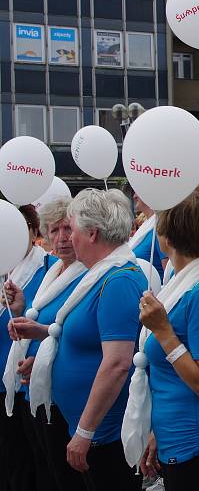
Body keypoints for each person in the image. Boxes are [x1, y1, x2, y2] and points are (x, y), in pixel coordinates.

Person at [24, 189, 146, 490]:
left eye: (73, 228)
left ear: (92, 233)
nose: (67, 237)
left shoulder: (118, 280)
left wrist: (85, 431)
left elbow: (117, 363)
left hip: (105, 433)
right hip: (90, 428)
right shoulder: (100, 275)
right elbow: (87, 336)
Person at [134, 192, 199, 491]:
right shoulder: (182, 283)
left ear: (169, 235)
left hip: (197, 440)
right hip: (177, 433)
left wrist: (164, 332)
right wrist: (157, 431)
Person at [4, 198, 88, 490]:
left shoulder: (88, 275)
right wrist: (19, 311)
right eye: (54, 230)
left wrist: (37, 358)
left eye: (68, 229)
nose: (62, 238)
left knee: (61, 477)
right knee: (40, 471)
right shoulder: (55, 274)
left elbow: (76, 334)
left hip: (63, 395)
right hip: (33, 390)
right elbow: (43, 326)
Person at [1, 204, 57, 490]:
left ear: (34, 231)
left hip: (25, 381)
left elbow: (51, 323)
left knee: (32, 464)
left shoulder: (47, 268)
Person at [129, 191, 168, 280]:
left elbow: (168, 273)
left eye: (138, 191)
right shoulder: (146, 226)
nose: (134, 196)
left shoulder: (160, 227)